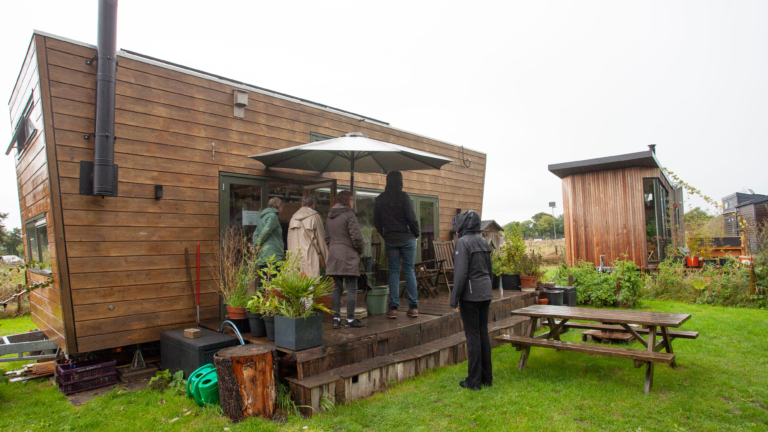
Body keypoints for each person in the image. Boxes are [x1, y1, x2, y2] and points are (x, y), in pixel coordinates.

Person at [450, 209, 494, 391]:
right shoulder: (483, 241)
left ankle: (473, 381)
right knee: (483, 333)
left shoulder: (462, 242)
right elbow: (490, 271)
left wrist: (454, 300)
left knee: (473, 336)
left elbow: (460, 274)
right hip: (485, 293)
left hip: (471, 296)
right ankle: (486, 377)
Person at [374, 171, 420, 319]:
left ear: (387, 181)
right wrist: (416, 233)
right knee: (409, 270)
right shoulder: (404, 197)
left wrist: (385, 234)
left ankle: (393, 308)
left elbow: (376, 222)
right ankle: (413, 308)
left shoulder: (380, 199)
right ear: (400, 181)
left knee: (394, 271)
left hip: (391, 239)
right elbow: (412, 218)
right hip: (407, 238)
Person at [325, 190, 366, 329]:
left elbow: (327, 238)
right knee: (352, 288)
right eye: (352, 199)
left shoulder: (330, 216)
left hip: (334, 255)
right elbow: (357, 237)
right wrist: (360, 251)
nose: (353, 202)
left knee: (337, 288)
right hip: (348, 255)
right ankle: (349, 320)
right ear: (346, 200)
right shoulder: (349, 214)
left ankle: (336, 319)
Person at [287, 194, 328, 277]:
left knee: (297, 285)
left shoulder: (293, 218)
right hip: (310, 257)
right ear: (313, 204)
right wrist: (327, 260)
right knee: (310, 284)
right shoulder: (315, 217)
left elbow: (289, 239)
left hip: (295, 258)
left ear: (302, 204)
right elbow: (321, 239)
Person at [253, 197, 285, 285]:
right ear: (278, 206)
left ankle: (261, 298)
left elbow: (256, 232)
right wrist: (257, 244)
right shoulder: (273, 216)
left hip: (263, 254)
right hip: (272, 255)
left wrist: (254, 245)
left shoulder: (262, 217)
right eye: (282, 206)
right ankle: (264, 298)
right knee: (272, 282)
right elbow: (266, 230)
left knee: (264, 280)